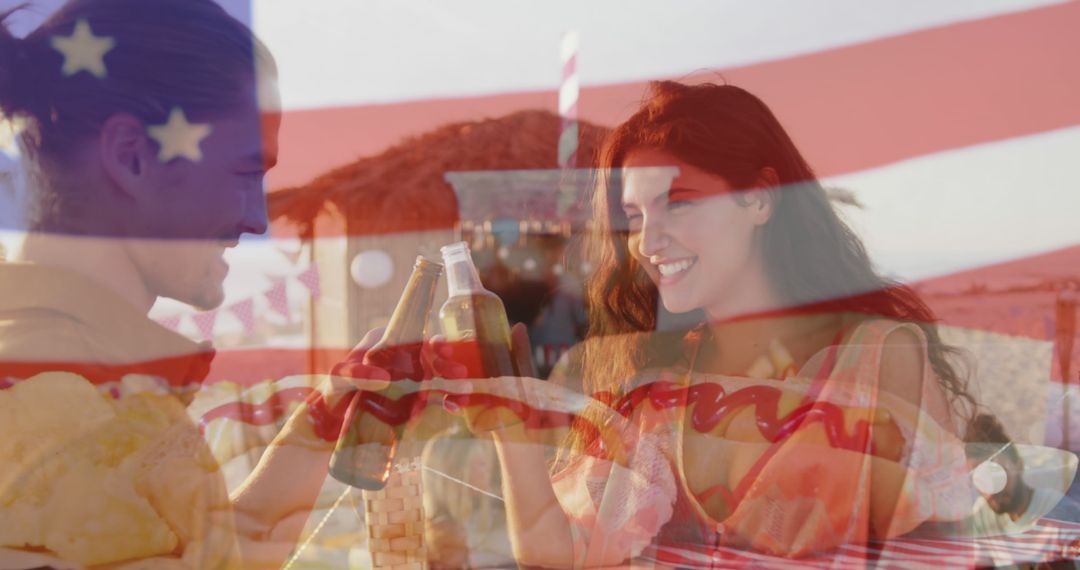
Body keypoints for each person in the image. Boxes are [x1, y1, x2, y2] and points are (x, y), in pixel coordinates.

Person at [416, 80, 983, 568]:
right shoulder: (655, 380)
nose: (648, 239)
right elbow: (561, 551)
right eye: (636, 216)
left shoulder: (875, 356)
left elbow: (941, 549)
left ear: (760, 198)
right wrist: (511, 432)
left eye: (679, 202)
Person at [0, 1, 386, 568]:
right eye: (244, 173)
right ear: (132, 156)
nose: (257, 218)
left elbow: (206, 555)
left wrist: (328, 419)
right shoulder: (57, 394)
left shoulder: (74, 377)